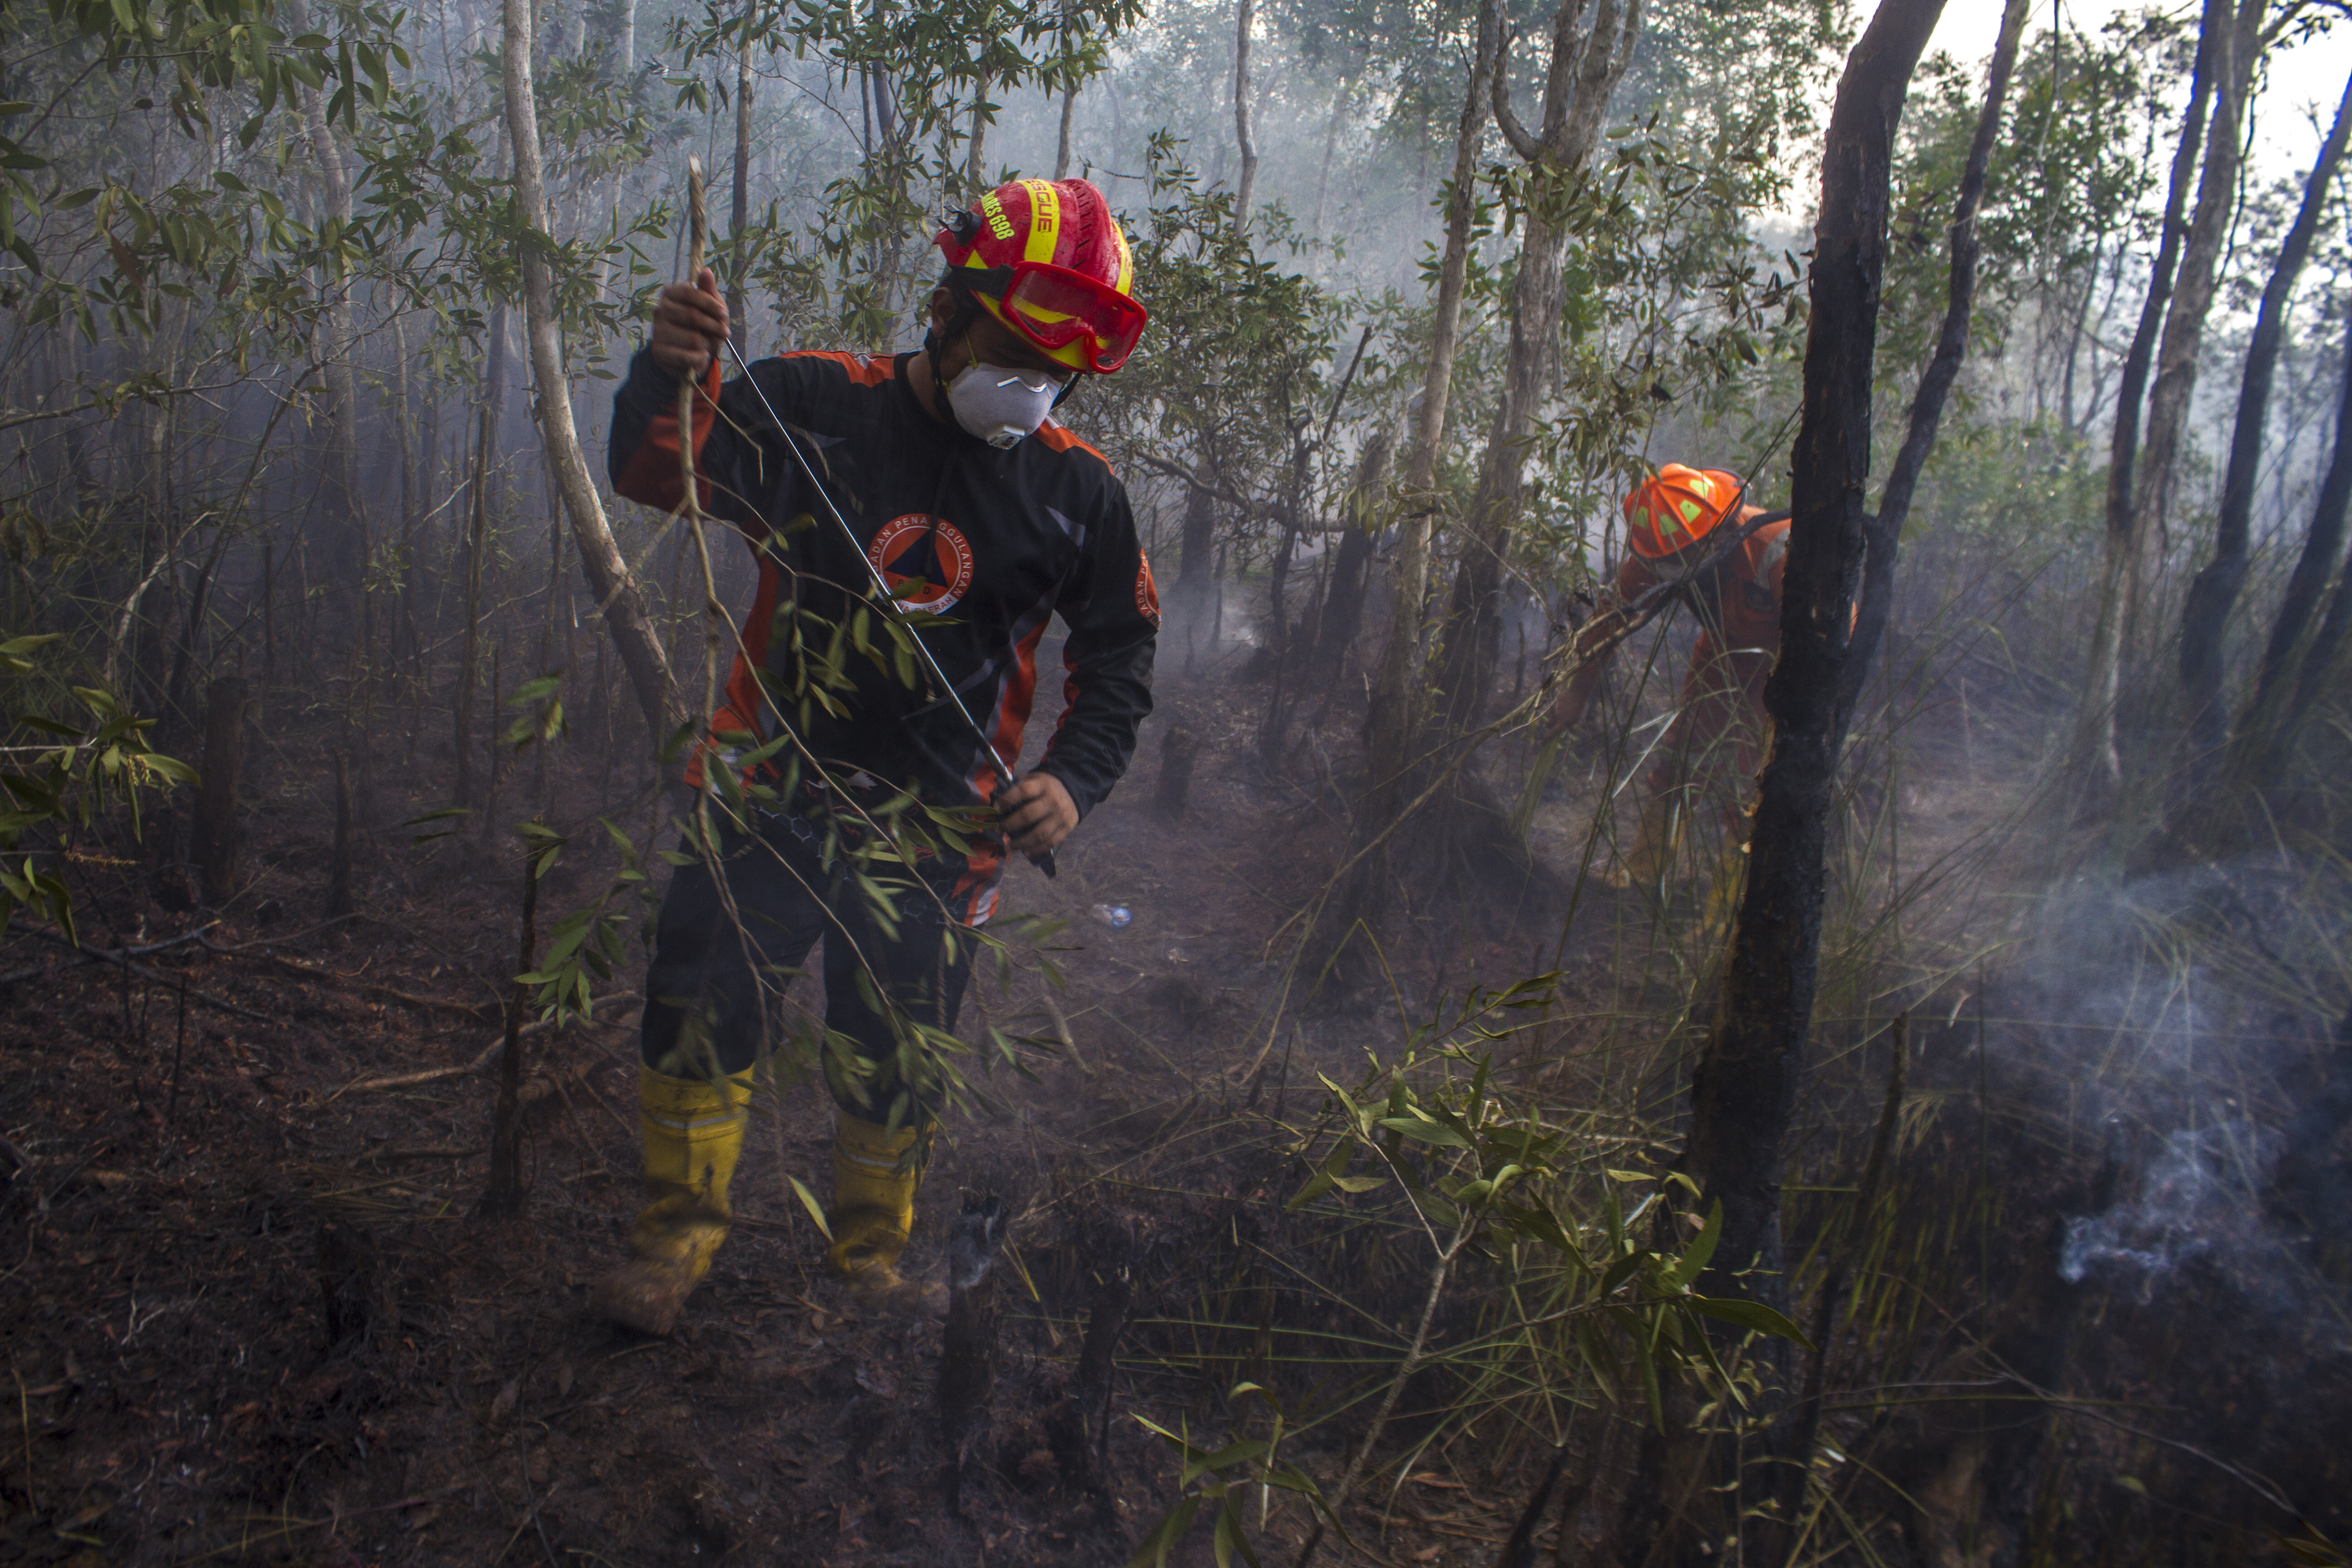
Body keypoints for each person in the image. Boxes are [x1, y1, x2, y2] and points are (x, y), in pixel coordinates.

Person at [592, 178, 1159, 1334]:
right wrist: (666, 369)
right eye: (1011, 351)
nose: (1028, 389)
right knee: (700, 1001)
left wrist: (1071, 780)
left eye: (1055, 373)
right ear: (946, 312)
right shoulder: (812, 403)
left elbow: (1120, 664)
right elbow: (660, 473)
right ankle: (672, 1243)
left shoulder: (1080, 494)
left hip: (942, 831)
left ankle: (869, 1266)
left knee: (896, 1051)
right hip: (769, 785)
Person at [1548, 463, 1788, 887]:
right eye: (1660, 564)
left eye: (1678, 563)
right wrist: (1576, 695)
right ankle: (1642, 873)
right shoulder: (1658, 552)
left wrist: (1780, 709)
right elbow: (1609, 624)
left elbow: (1830, 640)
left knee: (1752, 782)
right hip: (1724, 650)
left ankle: (1733, 910)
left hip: (1786, 668)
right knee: (1683, 758)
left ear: (1716, 536)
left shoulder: (1778, 548)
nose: (1663, 572)